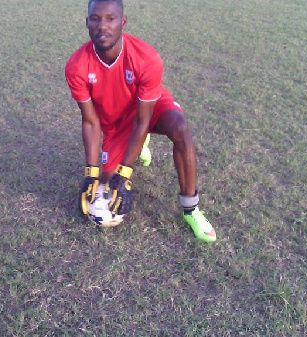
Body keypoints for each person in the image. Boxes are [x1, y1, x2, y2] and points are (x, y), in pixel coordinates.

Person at [64, 0, 217, 242]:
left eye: (110, 19)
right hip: (116, 124)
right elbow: (91, 122)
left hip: (146, 110)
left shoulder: (147, 58)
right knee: (107, 184)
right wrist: (91, 174)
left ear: (122, 22)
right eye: (95, 19)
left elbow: (142, 121)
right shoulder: (76, 66)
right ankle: (134, 148)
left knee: (180, 127)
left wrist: (125, 173)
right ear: (87, 23)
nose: (102, 26)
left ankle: (191, 209)